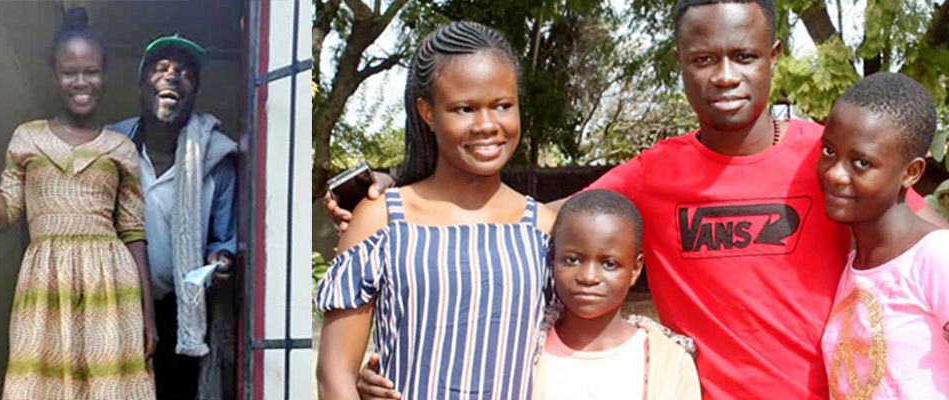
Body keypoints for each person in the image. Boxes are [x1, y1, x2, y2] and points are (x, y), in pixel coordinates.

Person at [339, 1, 949, 399]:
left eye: (743, 57)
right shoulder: (652, 174)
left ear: (773, 60)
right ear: (681, 65)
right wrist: (407, 193)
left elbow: (920, 254)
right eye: (704, 60)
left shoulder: (832, 160)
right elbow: (527, 223)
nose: (725, 77)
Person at [314, 21, 556, 400]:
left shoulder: (544, 229)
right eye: (464, 108)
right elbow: (334, 374)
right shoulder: (383, 219)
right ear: (427, 112)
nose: (487, 125)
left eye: (502, 105)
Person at [0, 8, 157, 399]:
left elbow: (133, 233)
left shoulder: (121, 148)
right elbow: (2, 215)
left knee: (108, 387)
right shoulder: (26, 139)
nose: (81, 82)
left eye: (91, 71)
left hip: (111, 289)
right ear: (54, 76)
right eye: (70, 72)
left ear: (104, 74)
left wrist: (148, 316)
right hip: (45, 287)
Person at [107, 35, 238, 400]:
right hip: (115, 305)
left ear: (194, 93)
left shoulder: (216, 157)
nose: (172, 75)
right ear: (140, 86)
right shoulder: (111, 147)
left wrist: (220, 259)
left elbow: (223, 240)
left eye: (184, 72)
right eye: (160, 68)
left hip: (183, 312)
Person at [817, 72, 949, 399]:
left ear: (911, 173)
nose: (834, 174)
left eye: (861, 162)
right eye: (829, 151)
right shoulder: (851, 268)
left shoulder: (935, 257)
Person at [534, 189, 699, 400]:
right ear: (552, 260)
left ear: (635, 270)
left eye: (609, 264)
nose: (589, 277)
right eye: (572, 260)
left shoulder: (670, 362)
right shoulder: (525, 356)